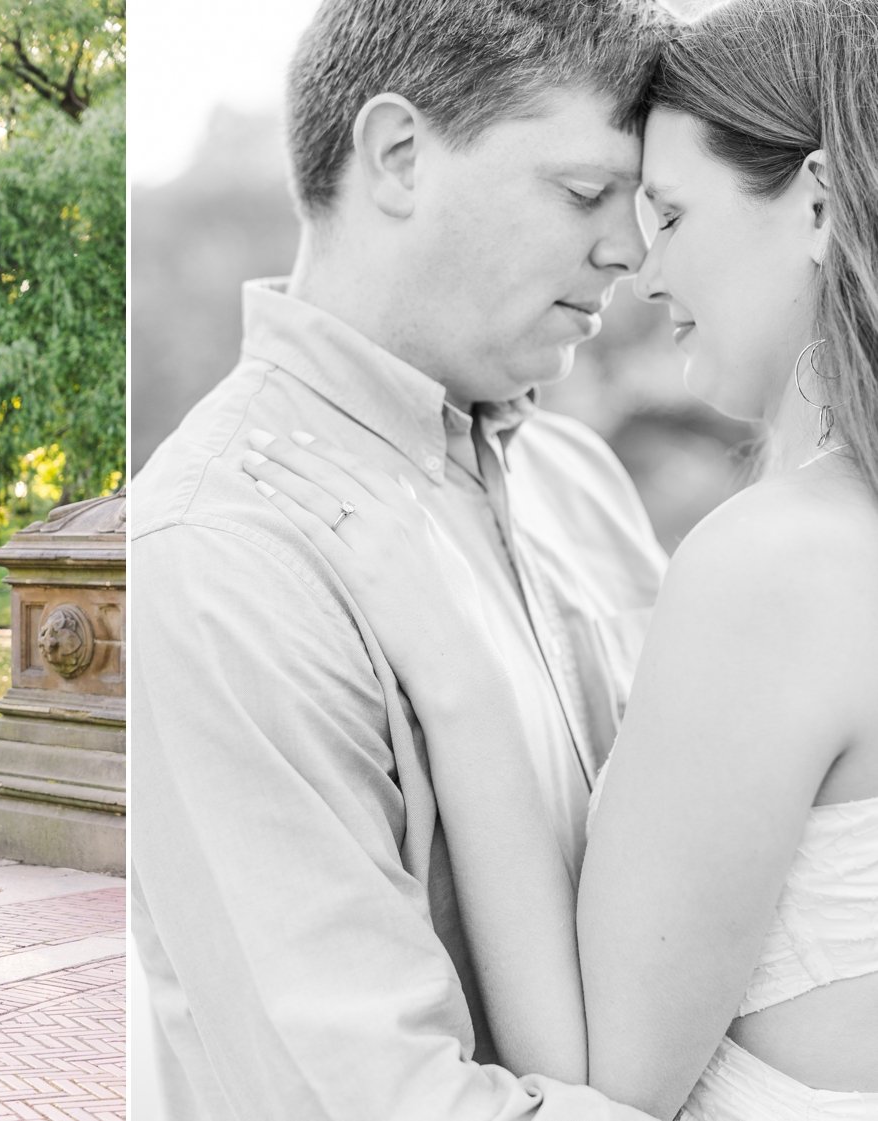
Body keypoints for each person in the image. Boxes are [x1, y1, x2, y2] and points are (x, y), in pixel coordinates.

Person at [247, 0, 878, 1118]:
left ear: (821, 203)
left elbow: (602, 1086)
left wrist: (459, 673)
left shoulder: (777, 562)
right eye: (600, 200)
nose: (640, 262)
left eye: (668, 213)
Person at [130, 0, 675, 1117]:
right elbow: (373, 1096)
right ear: (397, 156)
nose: (629, 248)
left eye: (642, 203)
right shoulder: (219, 558)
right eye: (584, 192)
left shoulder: (585, 486)